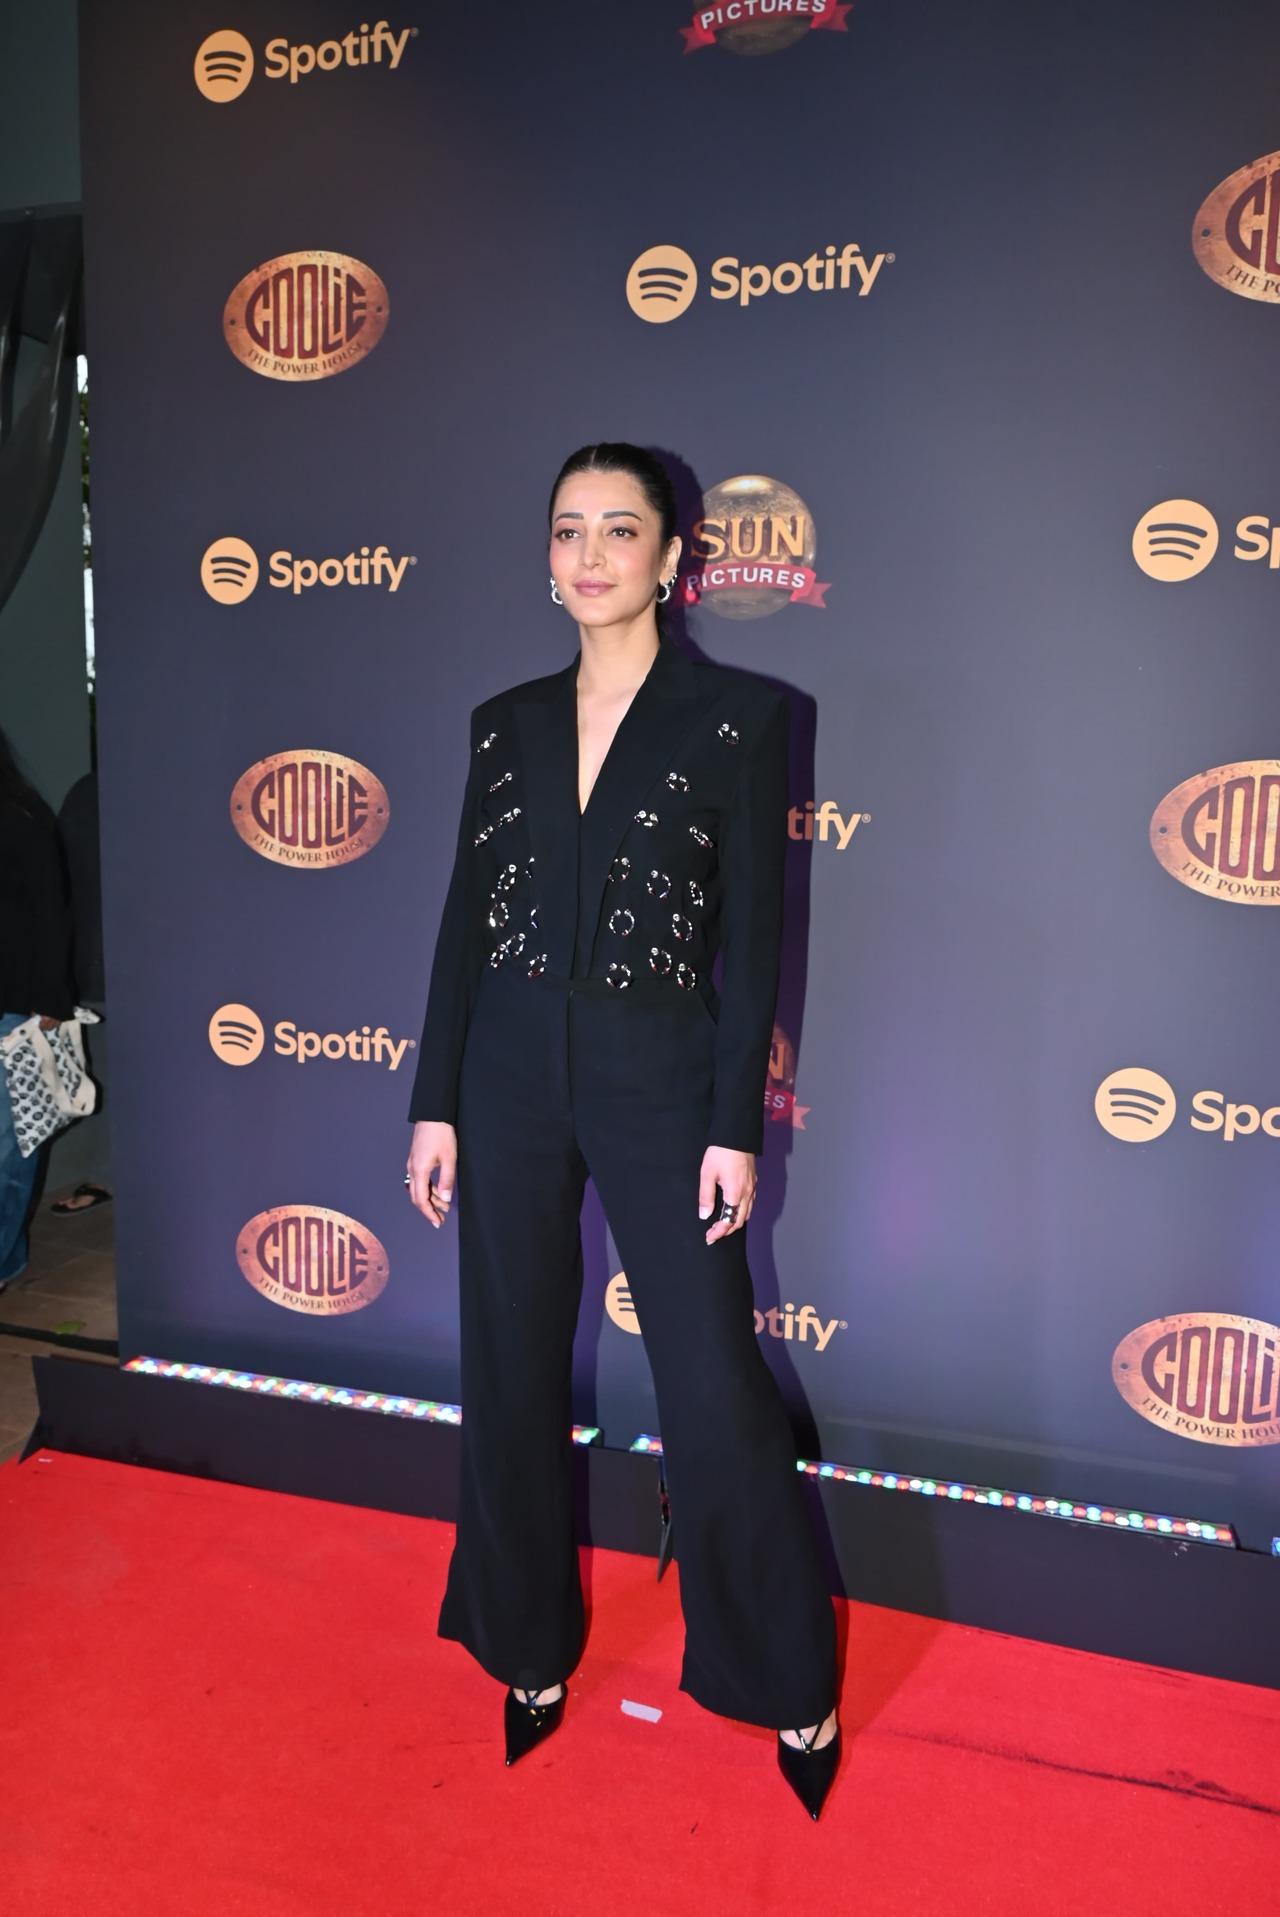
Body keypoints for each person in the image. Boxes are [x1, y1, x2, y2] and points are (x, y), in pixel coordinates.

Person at [404, 442, 840, 1819]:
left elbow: (753, 946)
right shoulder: (504, 723)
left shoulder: (740, 718)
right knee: (509, 1363)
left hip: (661, 1079)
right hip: (507, 1074)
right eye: (566, 530)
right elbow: (464, 926)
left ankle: (783, 1671)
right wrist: (434, 1099)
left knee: (711, 1381)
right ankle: (526, 1644)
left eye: (618, 529)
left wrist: (732, 1126)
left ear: (671, 557)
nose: (588, 555)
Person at [0, 726, 76, 1290]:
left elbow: (52, 909)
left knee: (10, 1144)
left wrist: (50, 998)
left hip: (13, 1008)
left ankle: (4, 1259)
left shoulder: (22, 817)